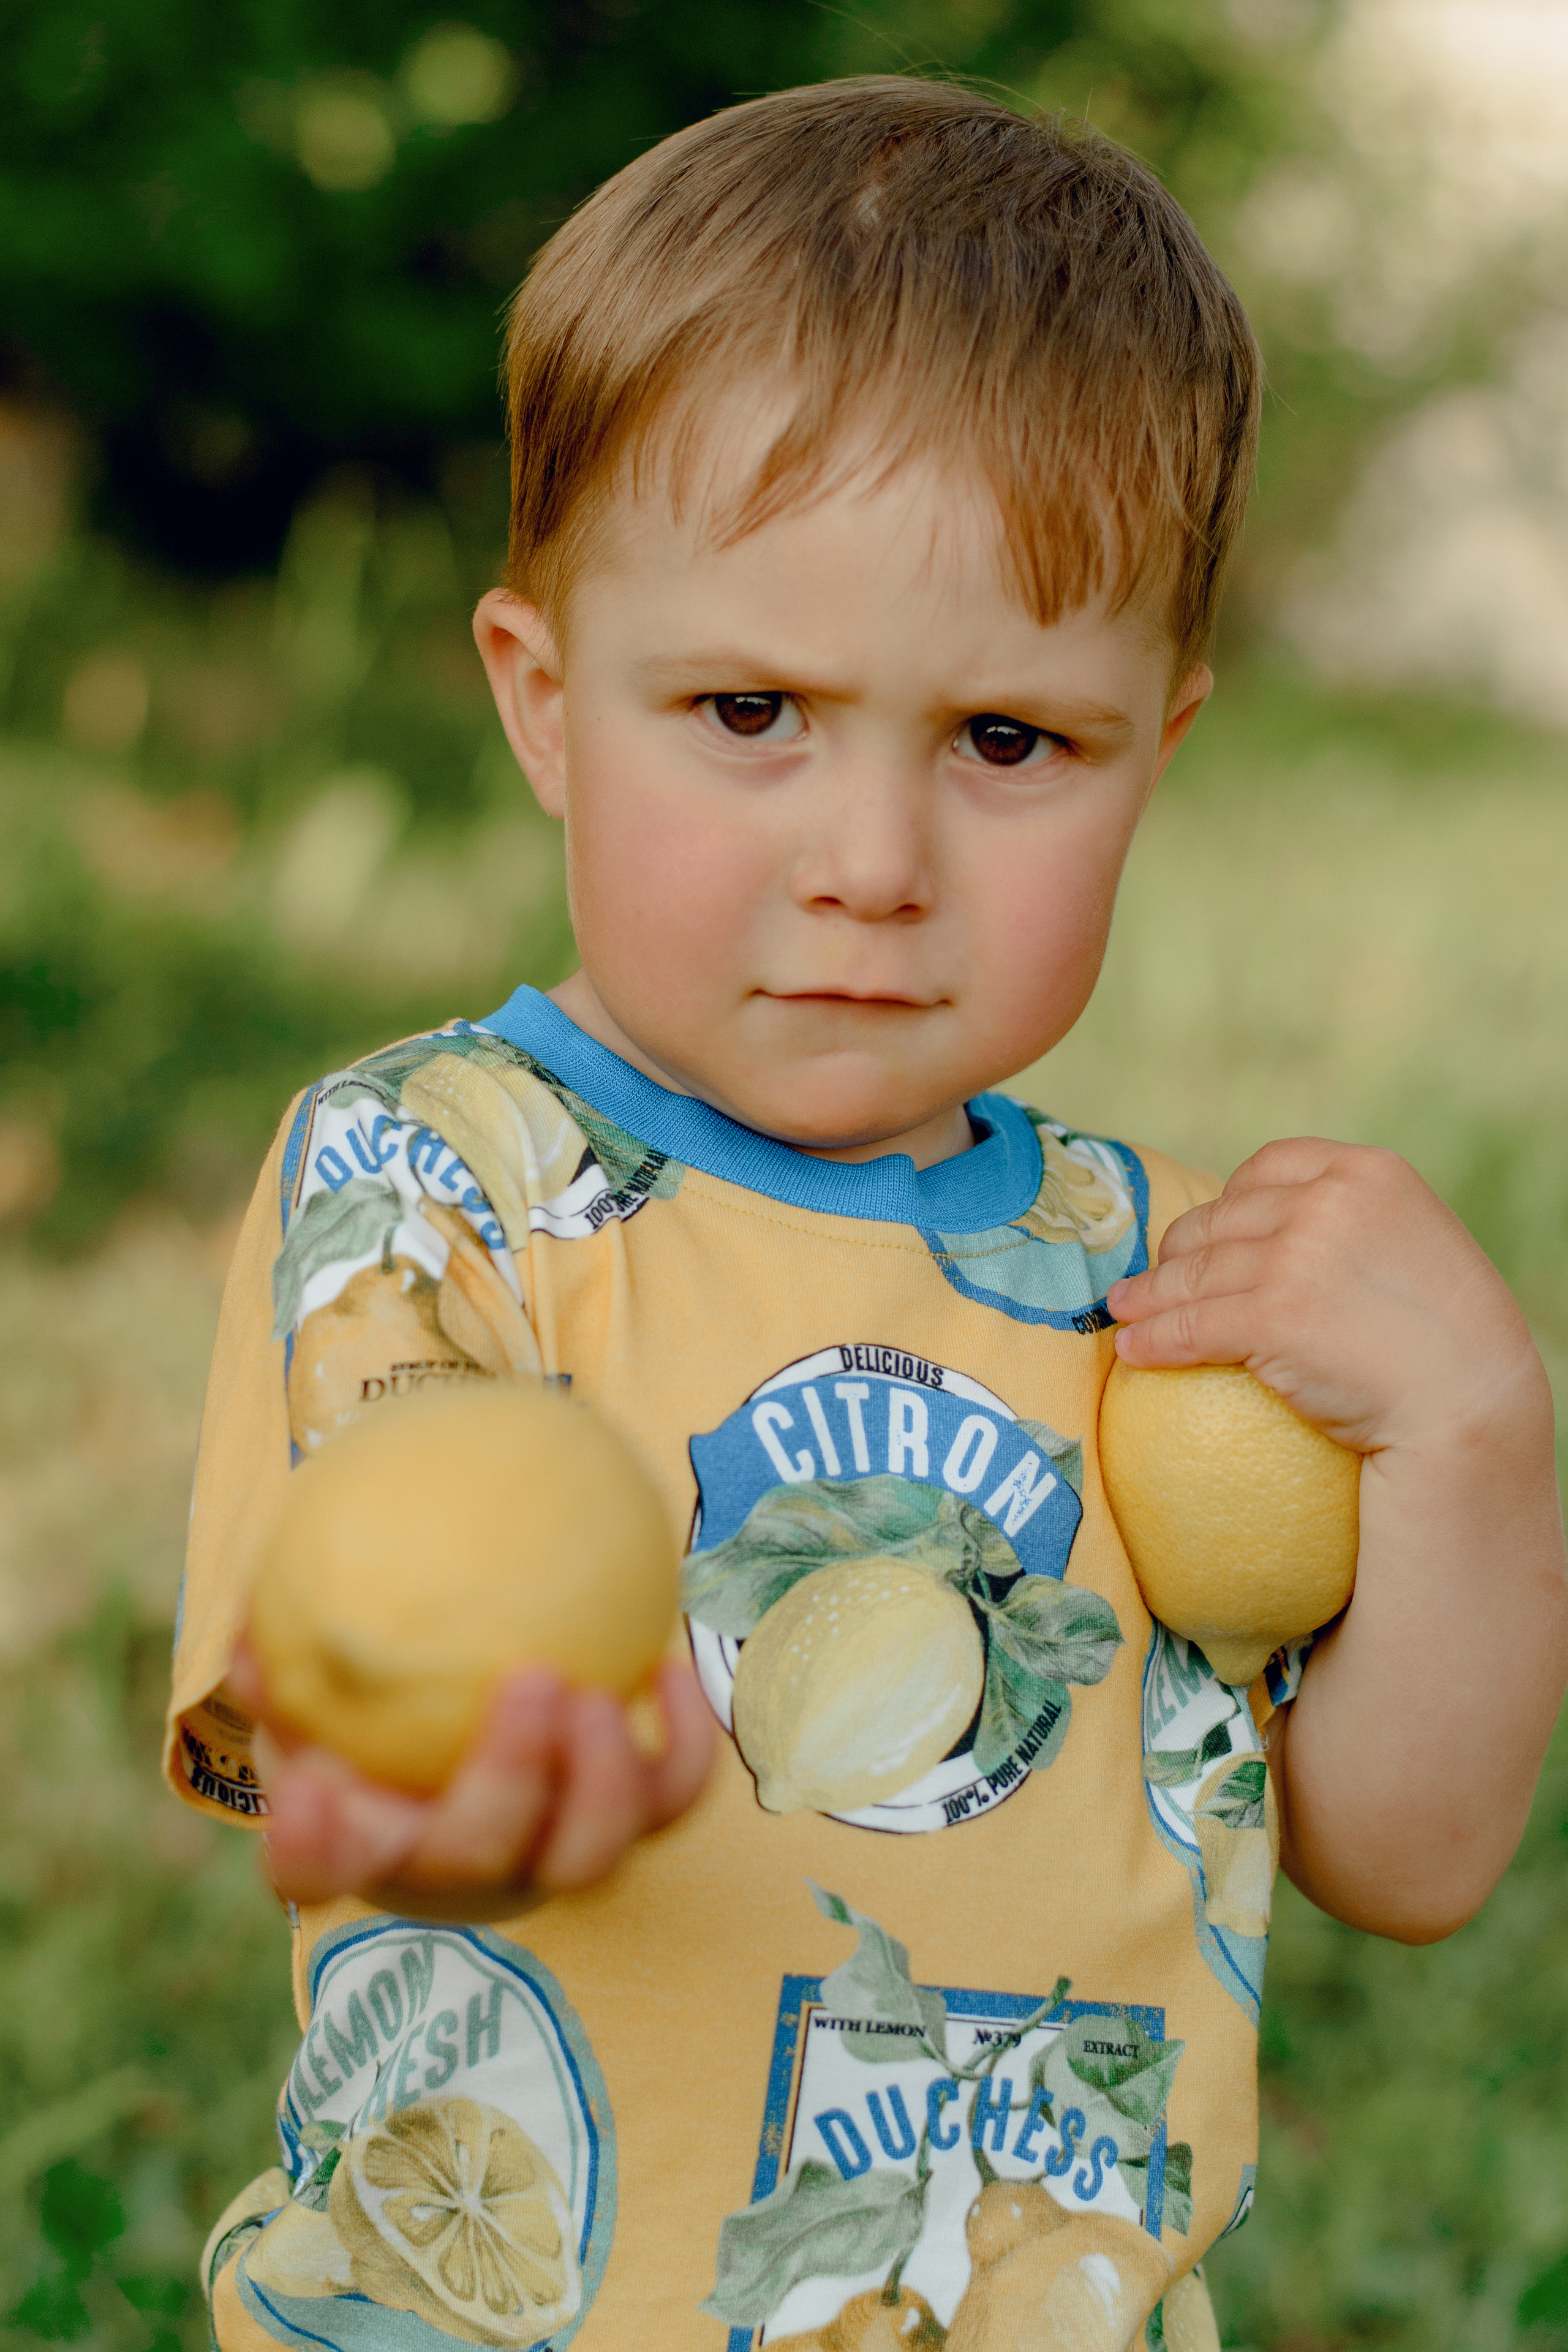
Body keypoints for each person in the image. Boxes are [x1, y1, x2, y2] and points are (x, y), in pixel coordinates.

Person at [166, 76, 1567, 2352]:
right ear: (543, 706)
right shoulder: (439, 1184)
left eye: (1011, 743)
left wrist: (1478, 1429)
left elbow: (1406, 1858)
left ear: (1158, 756)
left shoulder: (1173, 1286)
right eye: (750, 710)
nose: (875, 860)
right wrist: (476, 1772)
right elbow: (343, 1760)